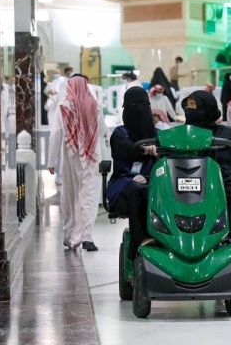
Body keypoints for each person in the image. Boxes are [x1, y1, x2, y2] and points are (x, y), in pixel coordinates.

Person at [181, 90, 231, 243]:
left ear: (206, 108)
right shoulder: (181, 134)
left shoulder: (226, 134)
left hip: (221, 180)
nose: (189, 110)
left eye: (194, 105)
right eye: (188, 105)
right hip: (184, 179)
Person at [48, 76, 107, 251]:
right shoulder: (95, 105)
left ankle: (70, 237)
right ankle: (87, 237)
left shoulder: (63, 107)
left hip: (71, 157)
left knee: (71, 196)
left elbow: (56, 134)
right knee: (89, 196)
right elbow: (102, 131)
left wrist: (51, 161)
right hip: (91, 157)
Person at [108, 87, 159, 258]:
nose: (140, 110)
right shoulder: (120, 134)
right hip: (124, 182)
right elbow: (126, 149)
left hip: (153, 180)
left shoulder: (158, 135)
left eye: (144, 105)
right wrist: (145, 150)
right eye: (134, 106)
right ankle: (138, 243)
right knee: (137, 190)